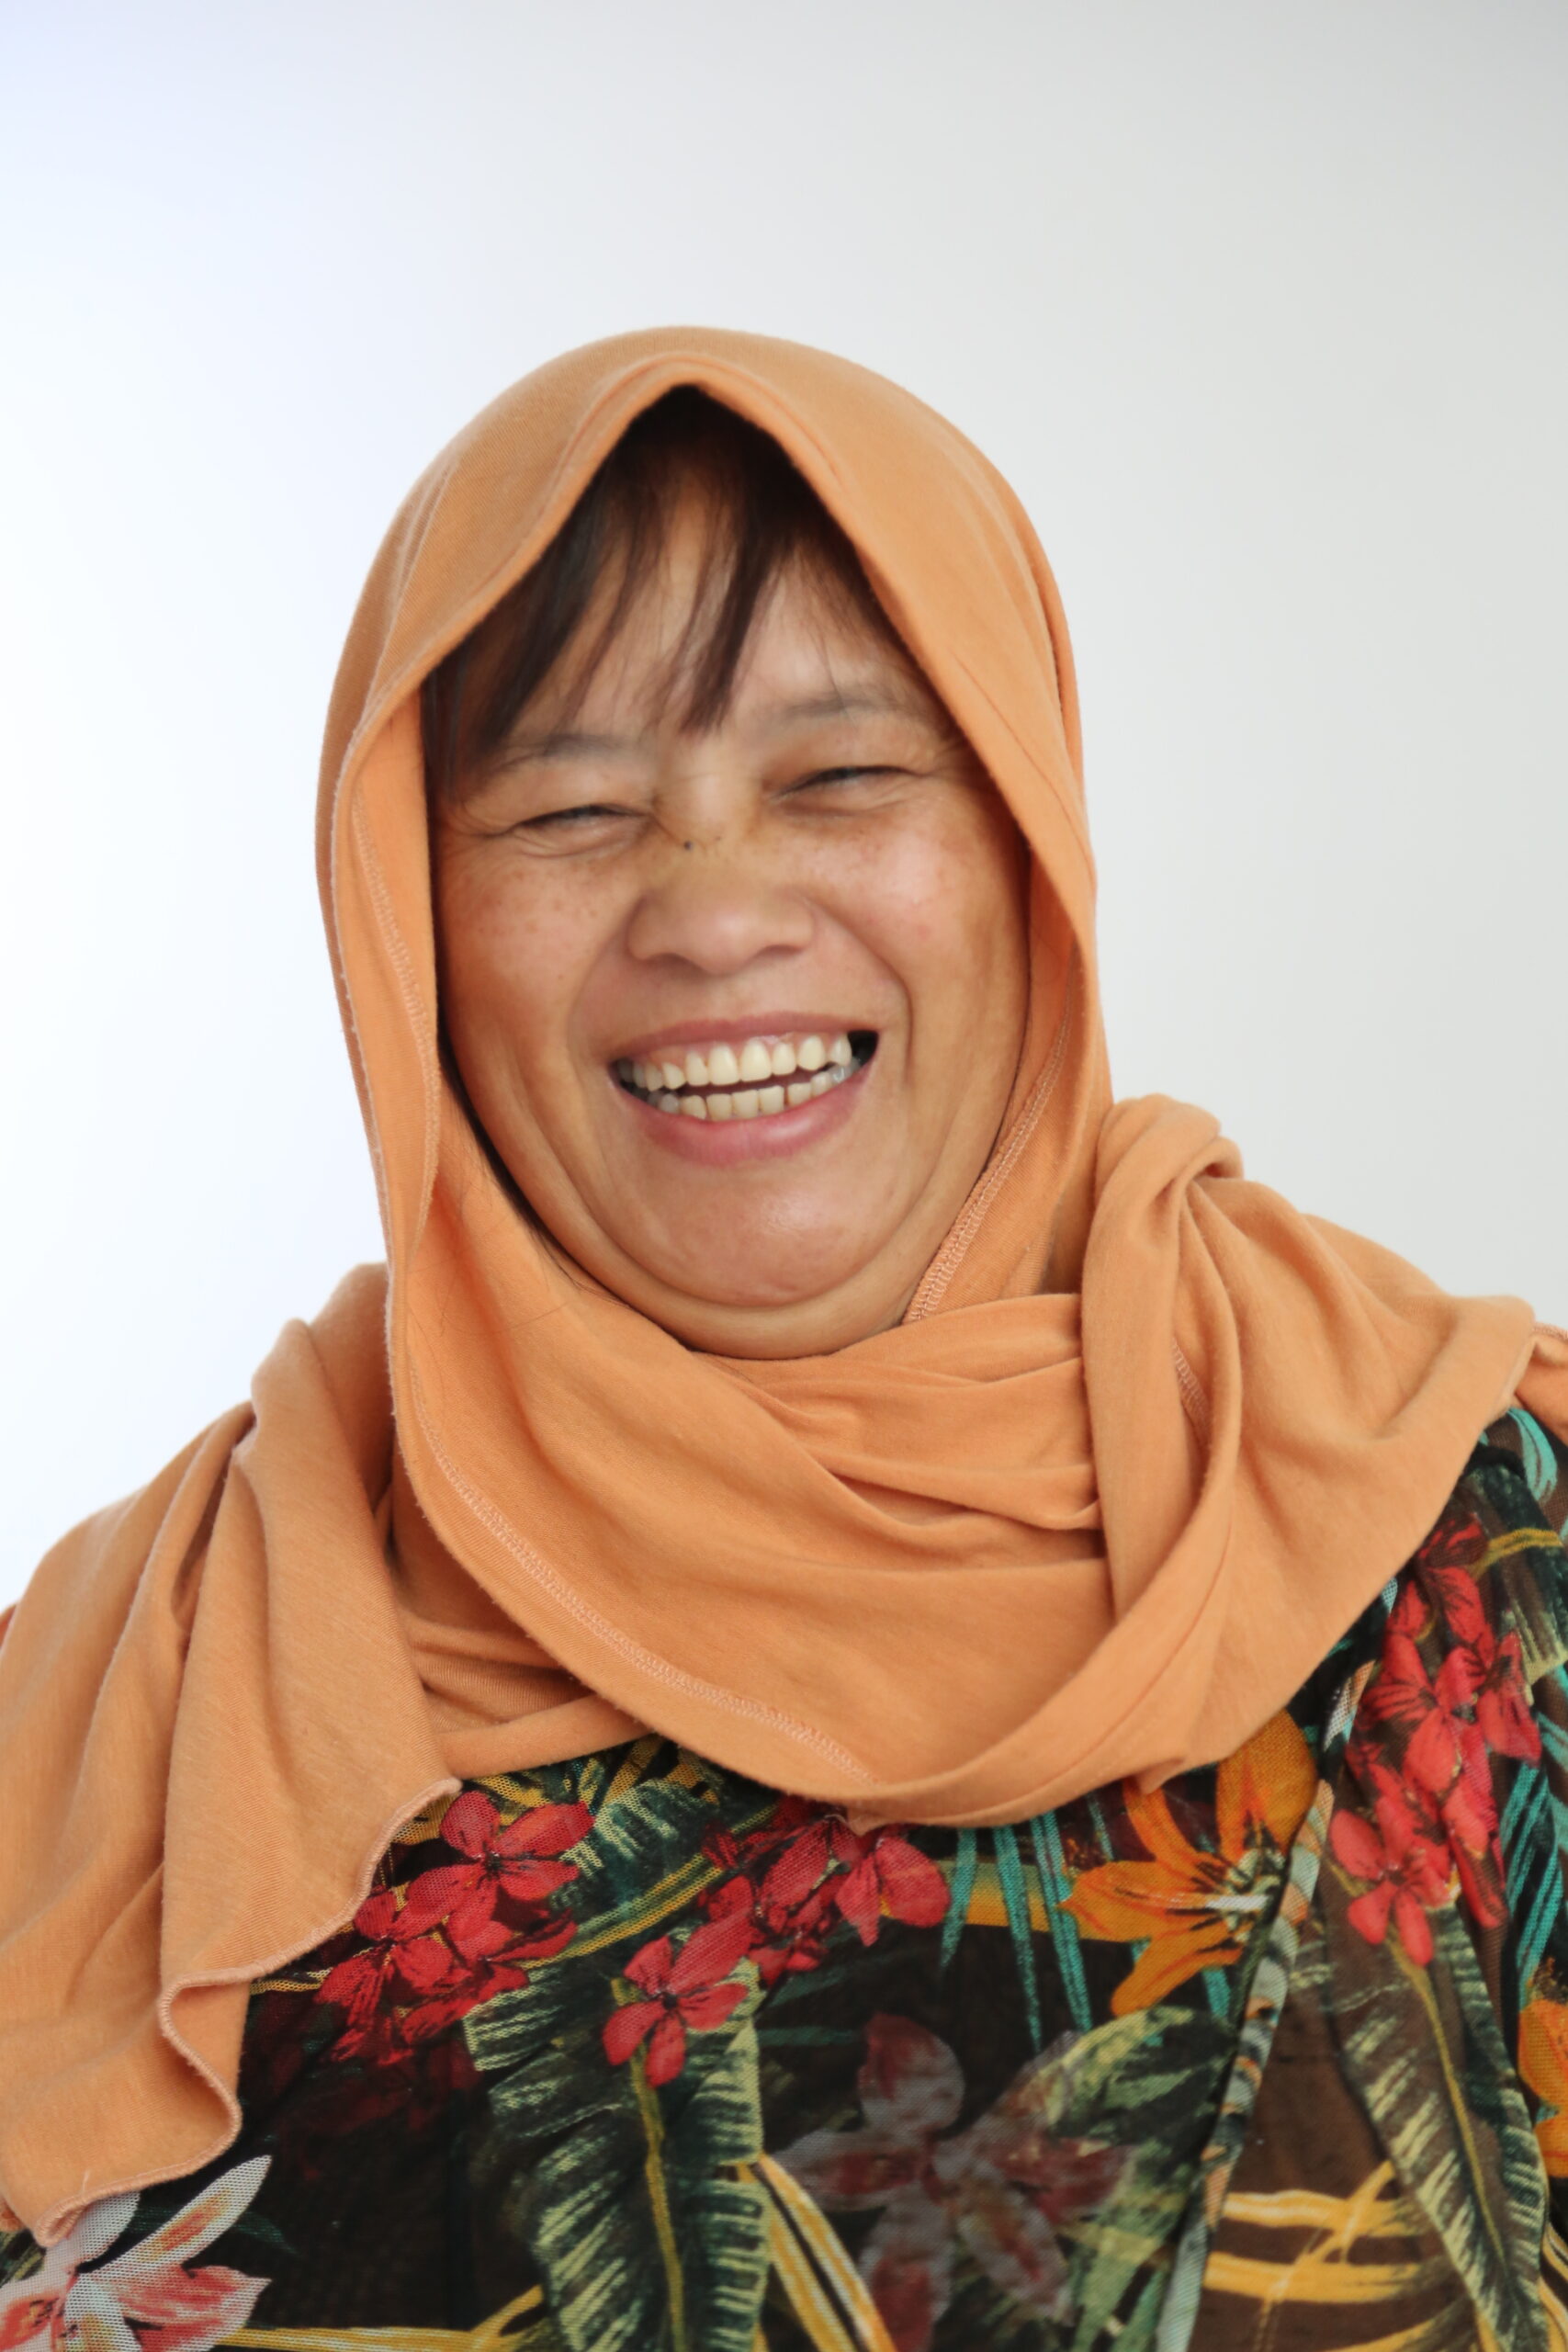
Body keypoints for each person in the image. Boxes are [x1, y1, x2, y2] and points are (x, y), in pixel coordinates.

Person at [0, 328, 1565, 2352]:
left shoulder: (1470, 1543)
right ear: (407, 917)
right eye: (568, 808)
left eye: (839, 777)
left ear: (1025, 838)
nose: (714, 911)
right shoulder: (141, 1686)